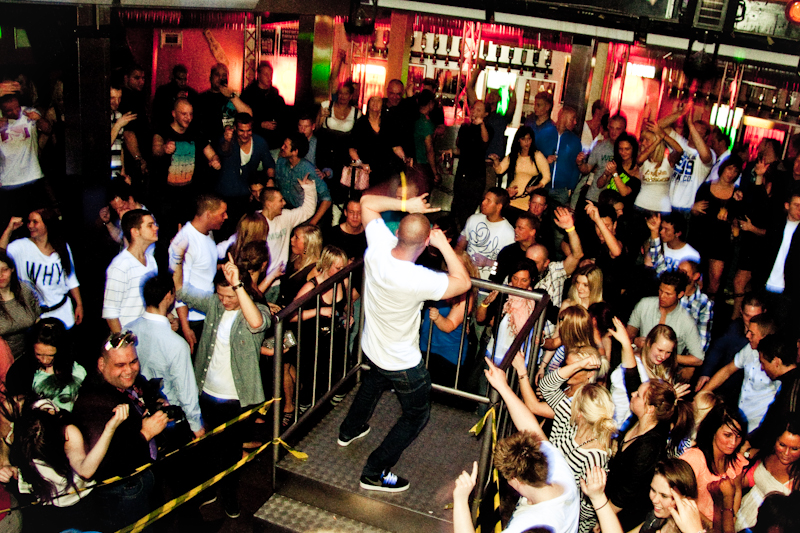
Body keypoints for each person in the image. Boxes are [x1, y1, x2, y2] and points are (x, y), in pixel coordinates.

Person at [337, 190, 471, 492]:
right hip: (402, 362)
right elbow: (463, 283)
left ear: (397, 232)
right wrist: (443, 245)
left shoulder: (378, 247)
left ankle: (349, 430)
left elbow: (367, 202)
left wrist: (406, 205)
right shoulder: (419, 278)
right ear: (424, 245)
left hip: (373, 346)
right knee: (415, 415)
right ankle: (374, 472)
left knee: (372, 383)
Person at [172, 247, 270, 518]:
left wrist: (237, 285)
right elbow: (180, 290)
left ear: (241, 290)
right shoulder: (216, 304)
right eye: (220, 295)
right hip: (206, 391)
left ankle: (229, 494)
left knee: (230, 452)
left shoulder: (258, 309)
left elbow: (257, 323)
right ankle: (209, 490)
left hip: (236, 398)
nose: (224, 301)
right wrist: (177, 258)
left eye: (230, 296)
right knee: (206, 448)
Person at [456, 357, 580, 533]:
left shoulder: (527, 525)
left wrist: (461, 499)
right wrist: (503, 387)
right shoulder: (560, 473)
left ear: (515, 479)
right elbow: (531, 428)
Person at [71, 331, 169, 532]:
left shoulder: (123, 380)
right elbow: (105, 464)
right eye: (120, 365)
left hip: (144, 473)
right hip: (124, 490)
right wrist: (146, 434)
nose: (129, 370)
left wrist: (156, 401)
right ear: (101, 364)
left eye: (133, 362)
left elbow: (142, 387)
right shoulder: (93, 403)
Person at [1, 401, 129, 533]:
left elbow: (85, 471)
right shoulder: (25, 428)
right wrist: (7, 465)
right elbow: (6, 440)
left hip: (79, 503)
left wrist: (109, 429)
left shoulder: (68, 432)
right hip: (46, 504)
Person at [605, 379, 694, 531]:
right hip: (611, 495)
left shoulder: (648, 447)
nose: (633, 394)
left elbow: (625, 494)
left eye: (638, 395)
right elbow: (632, 378)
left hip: (623, 515)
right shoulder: (639, 418)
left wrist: (604, 517)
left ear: (650, 409)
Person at [126, 274, 204, 439]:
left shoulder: (129, 329)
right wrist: (196, 425)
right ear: (169, 295)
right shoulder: (177, 344)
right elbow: (186, 390)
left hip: (138, 411)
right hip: (168, 417)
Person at [151, 98, 222, 238]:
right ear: (174, 114)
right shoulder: (162, 131)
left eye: (190, 114)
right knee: (167, 236)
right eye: (184, 114)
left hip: (188, 197)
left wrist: (215, 160)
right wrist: (164, 148)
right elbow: (156, 149)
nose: (188, 118)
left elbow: (212, 154)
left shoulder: (196, 133)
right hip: (166, 197)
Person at [698, 313, 778, 434]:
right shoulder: (749, 349)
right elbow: (727, 370)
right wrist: (702, 394)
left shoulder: (776, 364)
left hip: (758, 428)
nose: (747, 336)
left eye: (752, 333)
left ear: (764, 337)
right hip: (740, 419)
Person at [168, 194, 228, 353]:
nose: (226, 217)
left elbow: (204, 267)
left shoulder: (208, 233)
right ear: (208, 214)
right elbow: (179, 287)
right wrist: (186, 327)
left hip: (207, 314)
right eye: (222, 213)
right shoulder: (184, 241)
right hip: (193, 320)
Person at [5, 208, 82, 330]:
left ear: (47, 224)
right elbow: (1, 254)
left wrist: (79, 304)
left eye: (35, 222)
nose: (30, 226)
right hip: (36, 317)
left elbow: (70, 278)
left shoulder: (62, 247)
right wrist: (9, 230)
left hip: (63, 314)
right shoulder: (20, 247)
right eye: (29, 222)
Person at [680, 403, 748, 525]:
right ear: (713, 431)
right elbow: (681, 498)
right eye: (727, 435)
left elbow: (737, 491)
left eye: (738, 436)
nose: (733, 442)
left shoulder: (736, 461)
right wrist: (710, 526)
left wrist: (731, 519)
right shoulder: (694, 459)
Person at [626, 270, 705, 372]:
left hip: (664, 372)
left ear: (680, 294)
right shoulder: (644, 305)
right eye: (660, 291)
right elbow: (628, 334)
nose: (662, 296)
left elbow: (698, 359)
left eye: (668, 294)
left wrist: (667, 355)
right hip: (638, 364)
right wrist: (635, 341)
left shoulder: (686, 321)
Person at [420, 251, 478, 387]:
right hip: (426, 346)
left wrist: (437, 317)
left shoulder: (466, 295)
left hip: (447, 354)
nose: (451, 268)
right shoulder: (438, 282)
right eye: (448, 263)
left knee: (440, 395)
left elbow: (449, 325)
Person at [690, 156, 744, 296]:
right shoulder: (706, 187)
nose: (731, 173)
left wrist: (730, 217)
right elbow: (695, 213)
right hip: (701, 237)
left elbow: (738, 219)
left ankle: (709, 304)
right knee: (696, 276)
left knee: (715, 278)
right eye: (729, 169)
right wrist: (694, 209)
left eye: (735, 171)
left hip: (721, 241)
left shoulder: (737, 193)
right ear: (723, 168)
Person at [608, 322, 680, 427]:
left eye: (668, 352)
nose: (663, 356)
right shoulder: (630, 367)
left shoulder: (663, 369)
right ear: (649, 343)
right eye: (660, 350)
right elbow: (619, 407)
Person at [5, 318, 85, 412]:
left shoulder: (77, 367)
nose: (45, 360)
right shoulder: (19, 371)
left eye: (50, 355)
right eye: (39, 354)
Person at [261, 176, 318, 303]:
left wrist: (309, 188)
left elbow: (307, 211)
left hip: (279, 282)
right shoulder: (255, 222)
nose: (284, 203)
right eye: (280, 200)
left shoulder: (285, 217)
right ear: (269, 204)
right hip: (261, 282)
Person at [736, 422, 800, 531]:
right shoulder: (768, 453)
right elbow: (746, 477)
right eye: (782, 445)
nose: (786, 453)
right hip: (741, 512)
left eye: (794, 449)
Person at [102, 209, 158, 333]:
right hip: (129, 338)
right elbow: (110, 313)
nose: (156, 228)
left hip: (146, 335)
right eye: (150, 225)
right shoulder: (120, 266)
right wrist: (124, 341)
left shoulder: (151, 261)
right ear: (135, 232)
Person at [216, 112, 276, 228]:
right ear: (235, 128)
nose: (245, 134)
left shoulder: (259, 142)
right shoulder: (227, 139)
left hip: (247, 196)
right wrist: (227, 141)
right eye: (241, 131)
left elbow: (269, 163)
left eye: (248, 131)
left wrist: (270, 179)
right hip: (225, 195)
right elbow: (224, 150)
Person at [0, 93, 52, 218]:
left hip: (33, 176)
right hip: (9, 181)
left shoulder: (28, 113)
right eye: (9, 110)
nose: (15, 112)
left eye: (17, 107)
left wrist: (39, 119)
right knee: (16, 221)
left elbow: (48, 129)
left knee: (41, 218)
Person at [748, 334, 800, 452]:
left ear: (776, 362)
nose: (762, 368)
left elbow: (780, 427)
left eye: (763, 363)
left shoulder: (793, 389)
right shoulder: (789, 383)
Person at [661, 103, 715, 215]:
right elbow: (660, 125)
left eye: (698, 133)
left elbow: (706, 157)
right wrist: (679, 114)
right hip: (665, 206)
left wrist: (690, 124)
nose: (693, 134)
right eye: (692, 130)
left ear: (705, 137)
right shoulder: (680, 142)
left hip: (686, 210)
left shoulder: (709, 153)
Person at [633, 458, 712, 533]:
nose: (654, 500)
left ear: (685, 499)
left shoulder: (698, 528)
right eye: (653, 490)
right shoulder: (658, 516)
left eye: (664, 496)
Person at [447, 100, 493, 226]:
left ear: (485, 114)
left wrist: (481, 124)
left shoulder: (487, 129)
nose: (474, 112)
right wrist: (452, 151)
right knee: (456, 208)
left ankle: (465, 234)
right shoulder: (465, 127)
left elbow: (485, 142)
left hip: (476, 176)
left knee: (469, 211)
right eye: (473, 108)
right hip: (462, 172)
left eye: (479, 110)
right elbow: (462, 150)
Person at [491, 126, 551, 221]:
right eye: (523, 139)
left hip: (527, 200)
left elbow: (547, 176)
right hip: (512, 199)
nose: (526, 142)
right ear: (519, 140)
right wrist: (496, 161)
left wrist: (536, 187)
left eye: (529, 139)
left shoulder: (537, 155)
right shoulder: (514, 155)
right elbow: (500, 170)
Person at [455, 187, 515, 281]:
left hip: (488, 282)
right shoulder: (473, 219)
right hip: (465, 277)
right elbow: (460, 246)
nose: (483, 203)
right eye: (484, 199)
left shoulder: (509, 233)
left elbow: (509, 266)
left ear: (499, 206)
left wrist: (488, 262)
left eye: (488, 201)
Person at [274, 133, 332, 226]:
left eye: (286, 146)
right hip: (287, 212)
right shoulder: (281, 162)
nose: (282, 147)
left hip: (306, 215)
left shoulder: (308, 169)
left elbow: (327, 199)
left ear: (295, 152)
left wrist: (312, 224)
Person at [349, 96, 404, 188]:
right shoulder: (361, 124)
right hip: (368, 170)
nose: (375, 103)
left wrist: (404, 158)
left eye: (378, 100)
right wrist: (361, 164)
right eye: (373, 100)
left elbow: (396, 147)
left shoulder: (388, 123)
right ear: (368, 104)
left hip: (387, 168)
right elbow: (352, 148)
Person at [194, 63, 252, 146]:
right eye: (217, 74)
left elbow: (249, 114)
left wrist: (231, 96)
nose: (221, 78)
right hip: (209, 145)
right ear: (210, 77)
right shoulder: (201, 99)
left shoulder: (234, 96)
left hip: (231, 143)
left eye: (224, 75)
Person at [537, 106, 583, 209]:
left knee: (557, 215)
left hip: (562, 190)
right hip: (542, 186)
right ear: (563, 117)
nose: (575, 122)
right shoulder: (544, 134)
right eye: (573, 118)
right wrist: (545, 161)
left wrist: (571, 188)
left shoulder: (575, 141)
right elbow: (534, 156)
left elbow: (575, 167)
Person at [576, 114, 628, 205]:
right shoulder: (600, 146)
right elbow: (587, 169)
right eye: (611, 128)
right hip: (595, 196)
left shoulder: (628, 150)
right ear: (608, 127)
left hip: (615, 201)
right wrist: (580, 163)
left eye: (618, 129)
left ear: (624, 129)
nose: (614, 132)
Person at [635, 121, 684, 214]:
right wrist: (657, 141)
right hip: (641, 206)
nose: (643, 143)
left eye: (647, 140)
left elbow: (679, 150)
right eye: (642, 140)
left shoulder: (668, 159)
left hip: (663, 209)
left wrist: (663, 136)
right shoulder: (643, 158)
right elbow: (639, 160)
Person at [240, 60, 286, 159]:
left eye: (270, 74)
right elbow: (243, 119)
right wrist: (260, 124)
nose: (269, 77)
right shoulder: (249, 95)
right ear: (259, 75)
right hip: (255, 143)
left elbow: (283, 119)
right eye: (266, 74)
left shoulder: (276, 96)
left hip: (274, 144)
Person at [0, 247, 39, 360]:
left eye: (4, 270)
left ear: (12, 269)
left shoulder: (25, 290)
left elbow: (38, 320)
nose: (0, 275)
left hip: (27, 356)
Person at [763, 189, 800, 304]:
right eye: (796, 205)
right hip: (766, 284)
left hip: (789, 290)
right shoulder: (776, 225)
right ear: (787, 206)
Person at [490, 213, 540, 285]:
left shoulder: (541, 254)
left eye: (520, 228)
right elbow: (495, 278)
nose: (515, 230)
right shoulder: (507, 252)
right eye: (515, 227)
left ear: (532, 232)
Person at [152, 64, 198, 130]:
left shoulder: (192, 93)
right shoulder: (163, 91)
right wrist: (174, 99)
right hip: (166, 128)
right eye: (180, 79)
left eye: (185, 79)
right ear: (173, 78)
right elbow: (158, 112)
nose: (183, 82)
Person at [323, 198, 367, 262]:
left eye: (359, 213)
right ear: (345, 212)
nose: (355, 216)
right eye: (351, 212)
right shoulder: (332, 234)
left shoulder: (368, 234)